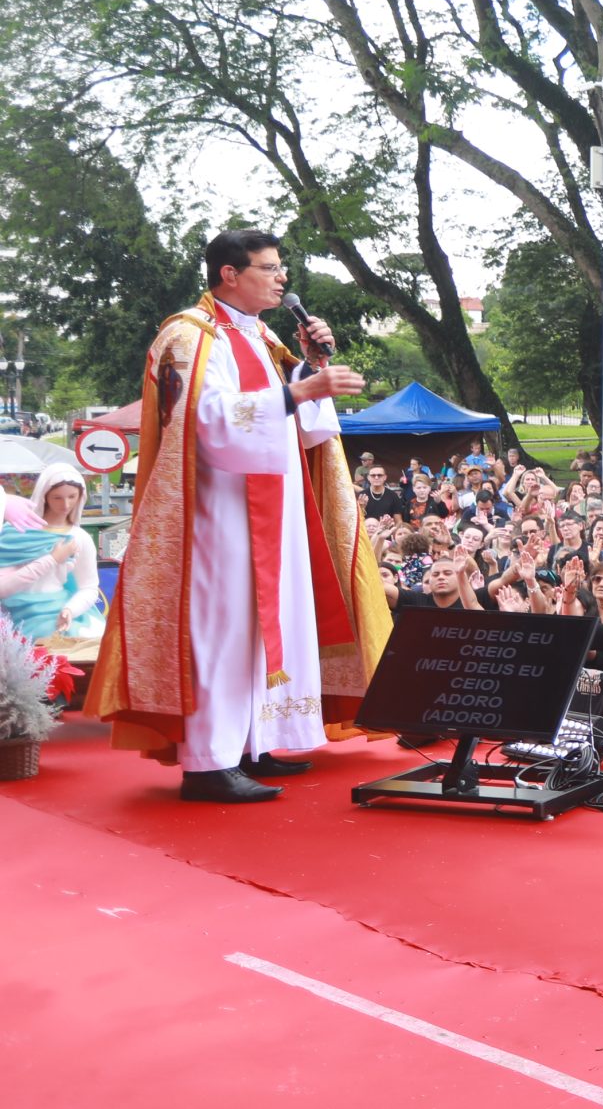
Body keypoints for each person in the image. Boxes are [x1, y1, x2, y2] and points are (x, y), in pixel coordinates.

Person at [89, 230, 388, 801]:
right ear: (230, 274)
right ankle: (207, 761)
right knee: (224, 629)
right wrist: (301, 392)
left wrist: (308, 368)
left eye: (281, 268)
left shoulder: (262, 336)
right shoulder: (186, 335)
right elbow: (205, 422)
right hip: (218, 514)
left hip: (274, 503)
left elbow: (299, 424)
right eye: (269, 268)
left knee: (271, 622)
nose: (281, 279)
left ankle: (255, 742)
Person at [0, 463, 104, 643]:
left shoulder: (79, 538)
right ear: (44, 496)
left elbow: (89, 587)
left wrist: (71, 609)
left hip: (57, 612)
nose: (65, 504)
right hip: (14, 612)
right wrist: (54, 558)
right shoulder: (13, 532)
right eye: (57, 497)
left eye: (72, 497)